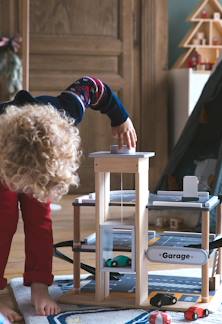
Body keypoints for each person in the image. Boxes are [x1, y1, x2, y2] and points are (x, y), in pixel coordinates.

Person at [0, 76, 137, 322]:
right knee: (2, 221)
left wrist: (120, 117)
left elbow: (92, 86)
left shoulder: (67, 111)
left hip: (36, 156)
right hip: (4, 158)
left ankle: (39, 285)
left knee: (40, 221)